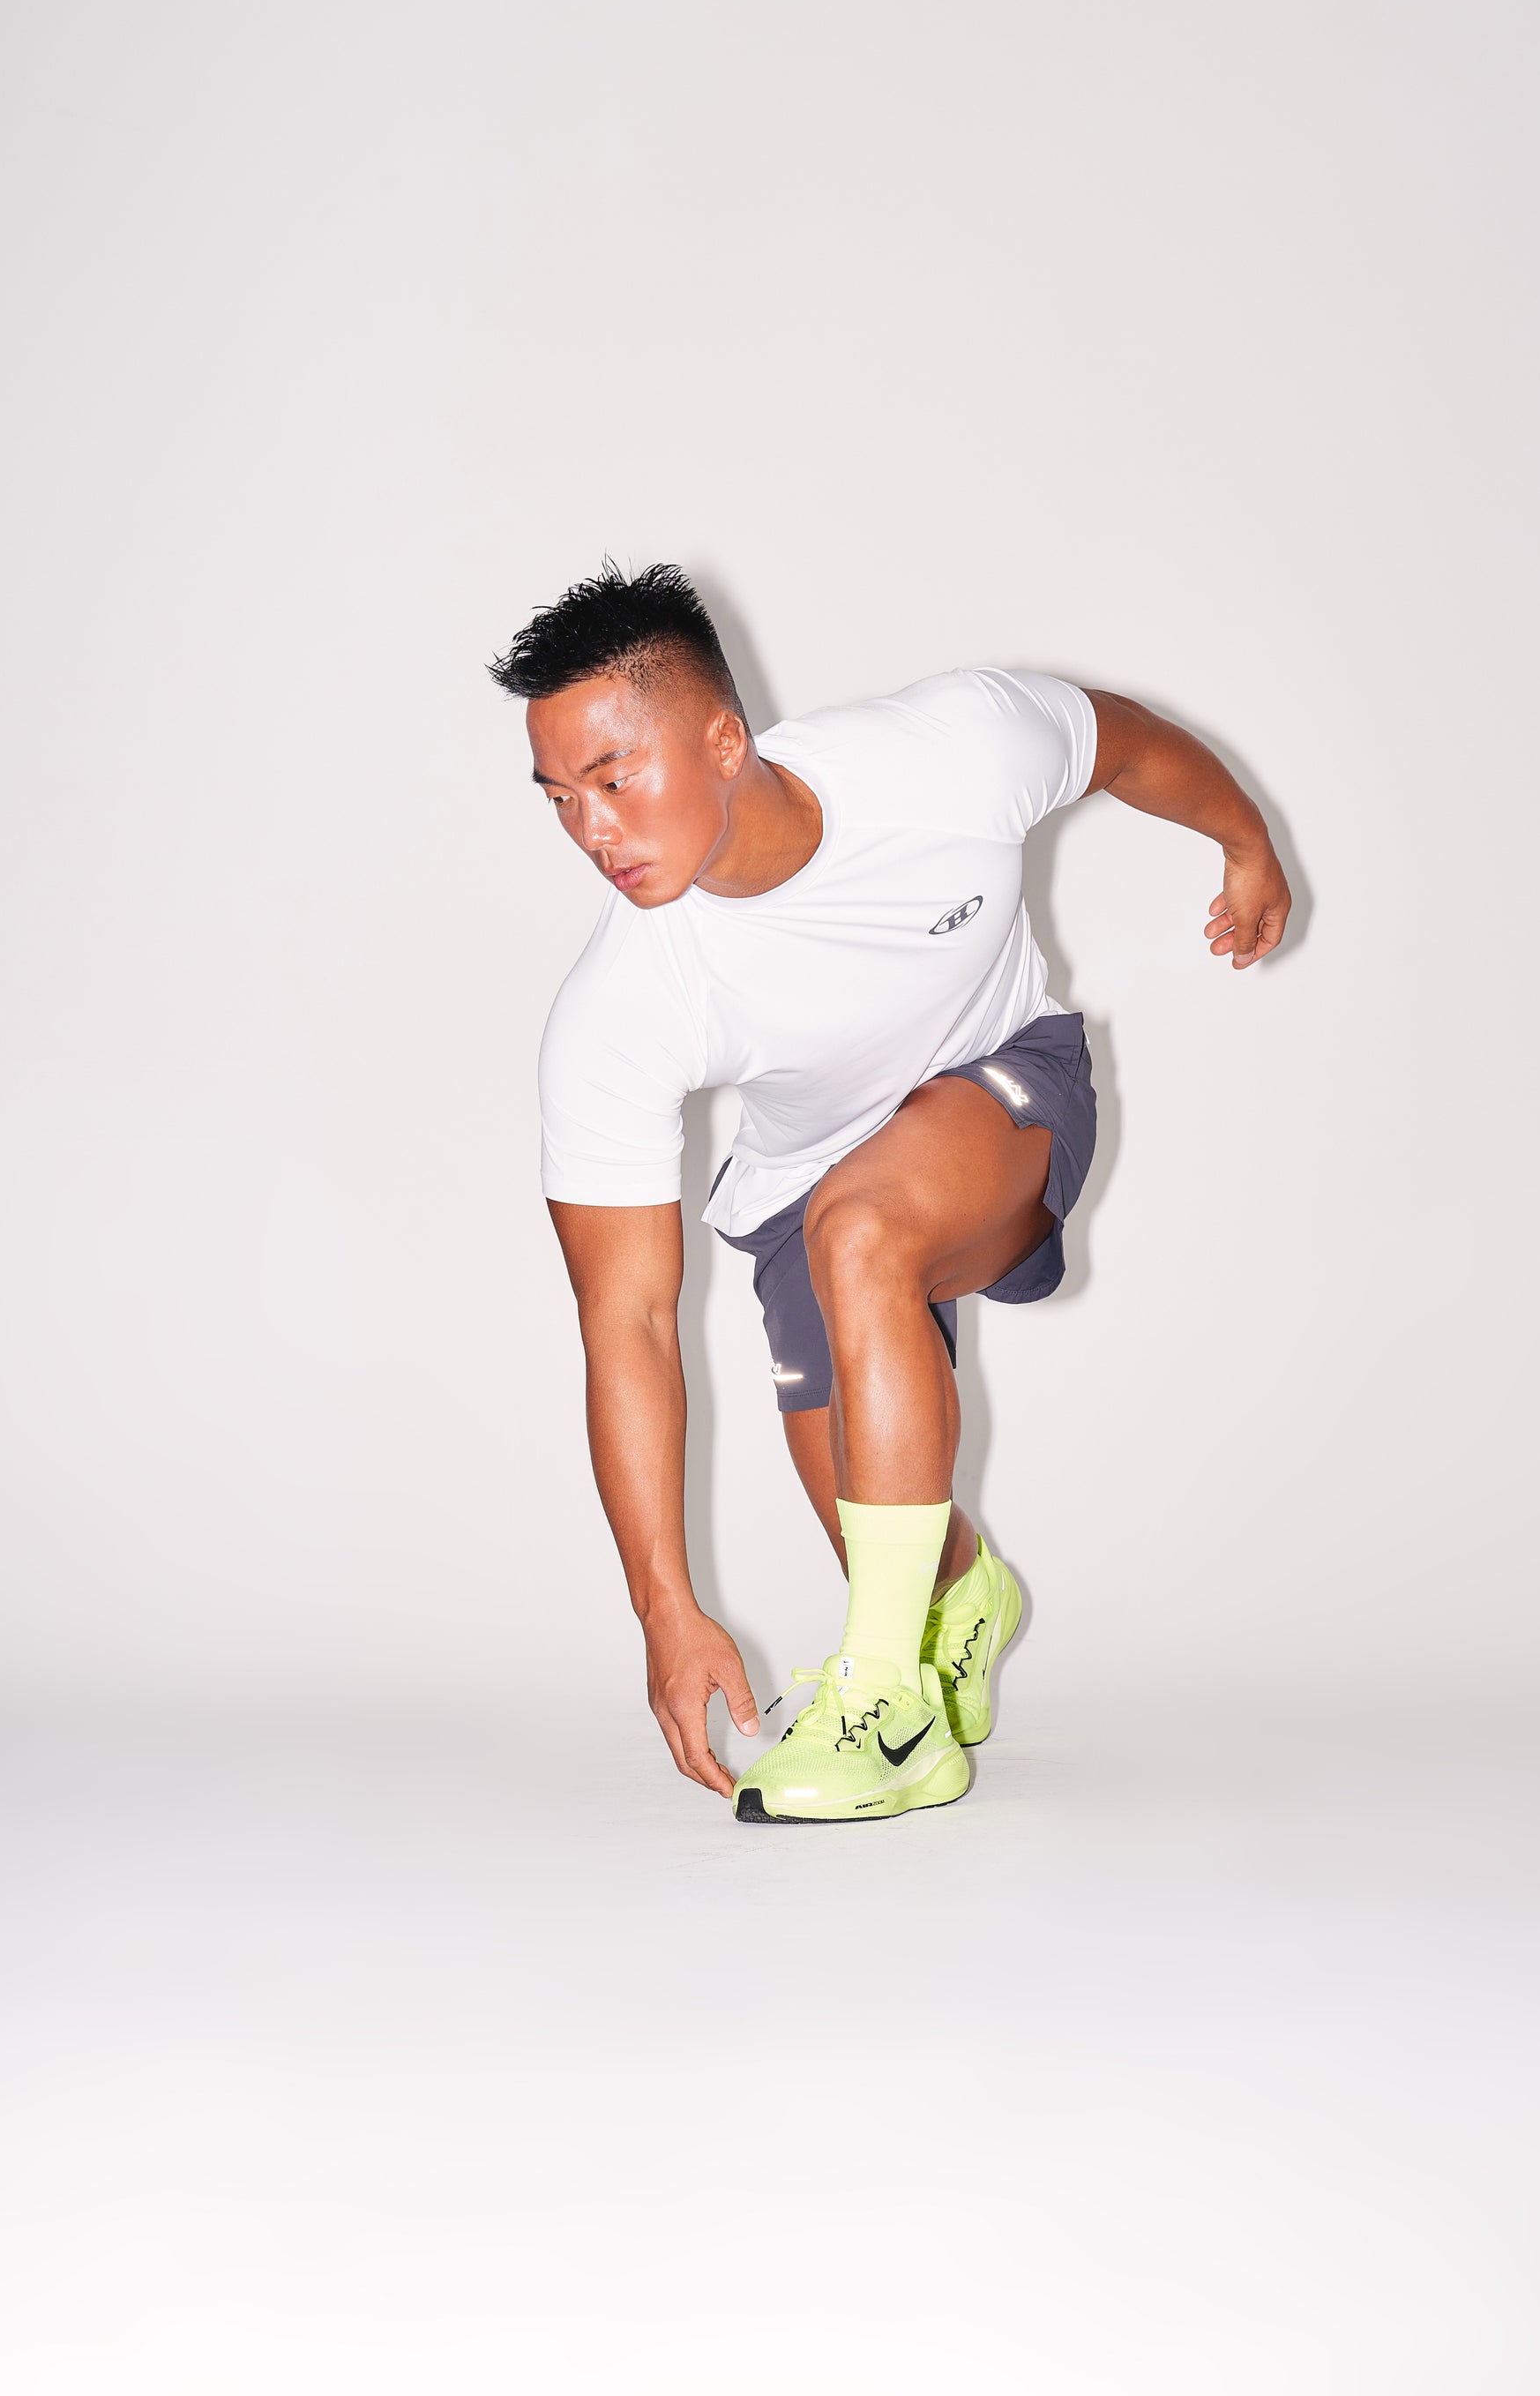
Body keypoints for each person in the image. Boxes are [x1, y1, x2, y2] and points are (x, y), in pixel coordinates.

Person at [490, 564, 1290, 1823]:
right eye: (559, 798)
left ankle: (891, 1710)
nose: (591, 829)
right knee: (890, 1538)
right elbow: (627, 1320)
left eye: (613, 777)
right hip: (802, 1184)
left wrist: (1244, 843)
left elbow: (1127, 745)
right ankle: (963, 1598)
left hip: (1003, 1088)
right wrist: (665, 1607)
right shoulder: (620, 1006)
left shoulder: (951, 755)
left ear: (723, 742)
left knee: (861, 1230)